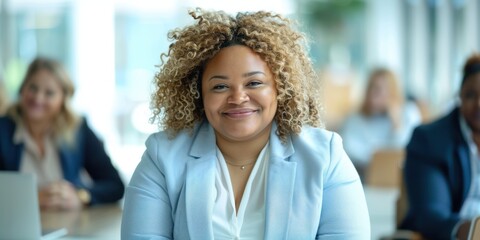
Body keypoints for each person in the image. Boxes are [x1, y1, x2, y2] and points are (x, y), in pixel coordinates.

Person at [121, 9, 370, 239]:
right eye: (220, 86)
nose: (238, 97)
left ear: (280, 89)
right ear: (198, 93)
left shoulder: (326, 156)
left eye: (254, 83)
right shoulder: (161, 157)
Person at [0, 57, 124, 210]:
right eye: (33, 88)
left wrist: (81, 196)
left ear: (63, 99)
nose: (38, 98)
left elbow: (115, 185)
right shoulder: (3, 129)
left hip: (68, 228)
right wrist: (30, 199)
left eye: (49, 93)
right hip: (13, 227)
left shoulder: (78, 129)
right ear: (22, 89)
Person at [400, 53, 480, 240]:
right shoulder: (430, 140)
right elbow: (431, 216)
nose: (479, 104)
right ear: (459, 96)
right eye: (470, 95)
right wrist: (474, 232)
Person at [339, 68, 421, 180]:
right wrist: (381, 159)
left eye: (378, 89)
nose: (373, 93)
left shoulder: (408, 112)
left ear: (392, 91)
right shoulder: (354, 118)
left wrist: (396, 124)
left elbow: (407, 151)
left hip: (400, 178)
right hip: (364, 177)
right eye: (370, 87)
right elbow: (349, 150)